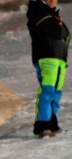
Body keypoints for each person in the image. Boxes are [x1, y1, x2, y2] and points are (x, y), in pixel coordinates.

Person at [28, 0, 71, 137]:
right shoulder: (38, 11)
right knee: (47, 90)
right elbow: (56, 32)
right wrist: (58, 25)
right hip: (46, 56)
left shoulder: (51, 15)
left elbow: (65, 35)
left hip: (58, 58)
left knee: (56, 92)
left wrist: (58, 25)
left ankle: (52, 122)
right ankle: (42, 124)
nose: (54, 0)